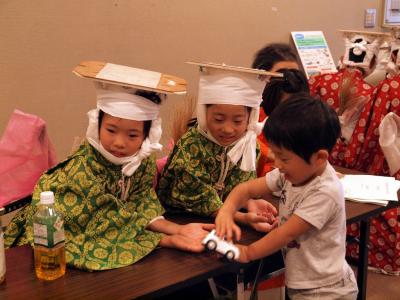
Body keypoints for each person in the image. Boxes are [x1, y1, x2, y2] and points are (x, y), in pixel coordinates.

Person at [4, 62, 213, 271]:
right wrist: (166, 240)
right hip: (46, 251)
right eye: (111, 130)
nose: (119, 142)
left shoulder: (141, 162)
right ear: (97, 125)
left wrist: (178, 230)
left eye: (132, 135)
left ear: (147, 135)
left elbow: (139, 205)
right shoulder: (82, 169)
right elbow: (100, 228)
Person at [216, 95, 358, 299]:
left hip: (327, 290)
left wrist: (247, 253)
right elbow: (246, 189)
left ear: (319, 158)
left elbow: (285, 234)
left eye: (283, 157)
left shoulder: (326, 191)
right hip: (304, 284)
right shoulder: (292, 172)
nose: (277, 164)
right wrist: (226, 211)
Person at [157, 63, 278, 232]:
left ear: (250, 118)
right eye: (219, 119)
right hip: (182, 219)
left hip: (226, 217)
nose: (228, 129)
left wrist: (249, 202)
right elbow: (197, 196)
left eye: (237, 121)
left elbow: (241, 184)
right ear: (204, 114)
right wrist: (241, 217)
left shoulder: (248, 145)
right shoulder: (191, 145)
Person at [251, 43, 302, 176]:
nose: (289, 81)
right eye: (282, 76)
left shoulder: (302, 114)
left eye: (295, 75)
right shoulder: (248, 114)